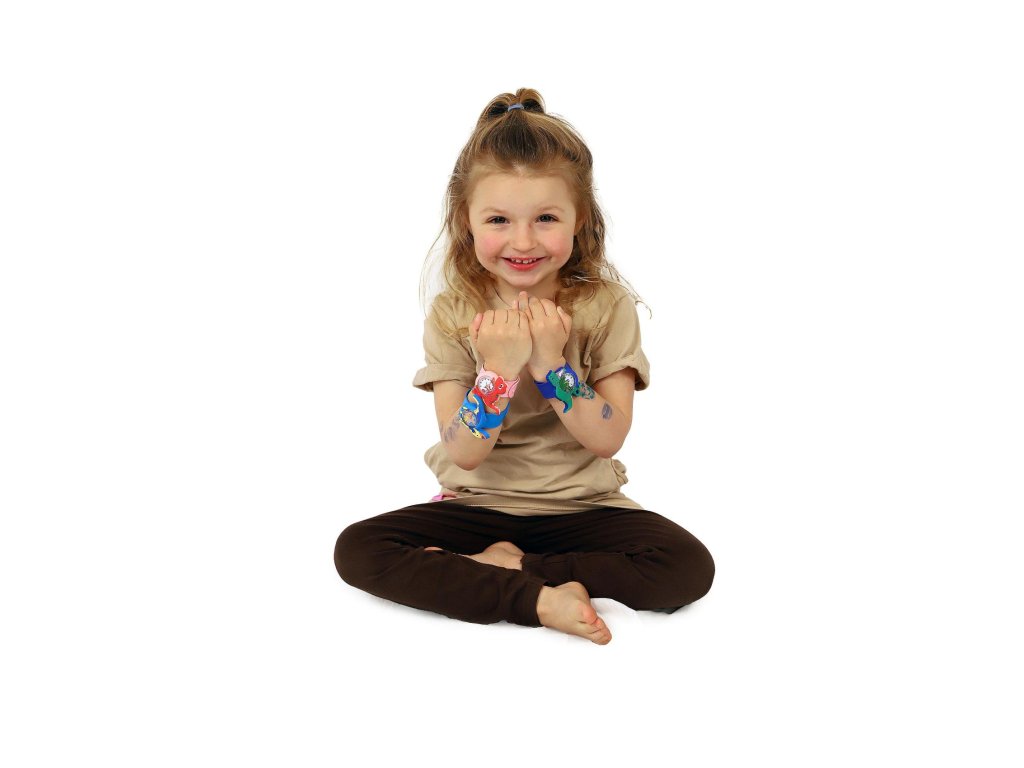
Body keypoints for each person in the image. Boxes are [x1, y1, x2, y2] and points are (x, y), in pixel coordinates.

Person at [334, 88, 714, 645]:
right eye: (498, 219)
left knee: (686, 568)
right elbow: (464, 453)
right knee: (358, 549)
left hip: (583, 507)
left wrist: (552, 363)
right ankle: (539, 600)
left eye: (546, 218)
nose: (522, 240)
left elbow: (608, 438)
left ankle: (509, 569)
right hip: (477, 505)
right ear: (465, 221)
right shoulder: (454, 312)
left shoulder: (606, 307)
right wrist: (499, 371)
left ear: (580, 219)